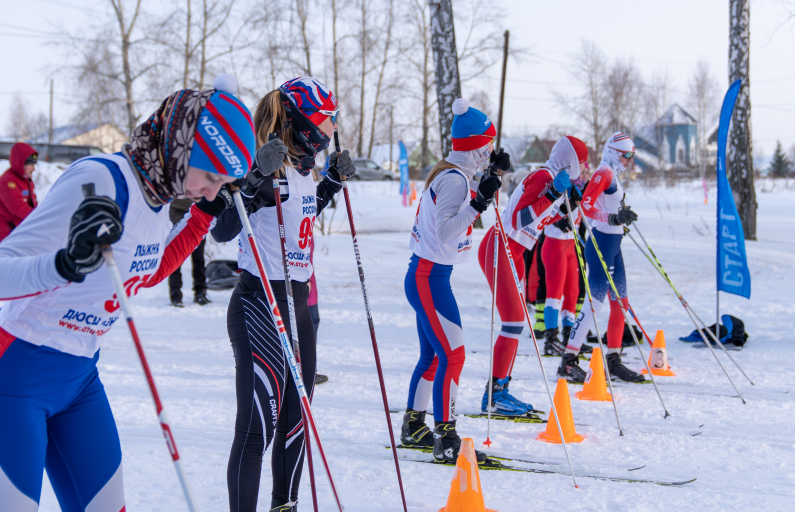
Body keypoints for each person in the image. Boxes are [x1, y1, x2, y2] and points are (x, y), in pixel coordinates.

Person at [0, 76, 255, 511]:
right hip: (17, 373)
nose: (213, 190)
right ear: (180, 147)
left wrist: (202, 217)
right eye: (211, 176)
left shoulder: (157, 199)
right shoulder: (100, 179)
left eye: (221, 183)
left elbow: (146, 273)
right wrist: (64, 263)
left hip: (79, 378)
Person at [210, 77, 354, 512]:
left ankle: (284, 506)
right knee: (256, 431)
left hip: (299, 307)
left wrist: (330, 183)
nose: (333, 128)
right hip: (260, 305)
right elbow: (222, 228)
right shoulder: (264, 165)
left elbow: (297, 218)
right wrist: (252, 178)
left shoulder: (305, 168)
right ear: (305, 122)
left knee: (296, 423)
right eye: (328, 119)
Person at [400, 98, 502, 463]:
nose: (488, 149)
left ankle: (414, 426)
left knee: (433, 355)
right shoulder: (455, 180)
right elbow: (445, 231)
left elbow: (469, 198)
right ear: (475, 145)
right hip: (429, 277)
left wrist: (491, 178)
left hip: (427, 275)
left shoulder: (454, 174)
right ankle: (446, 438)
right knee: (453, 355)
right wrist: (479, 203)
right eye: (486, 145)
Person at [476, 135, 588, 413]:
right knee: (513, 322)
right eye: (582, 162)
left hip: (516, 251)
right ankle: (495, 395)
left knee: (517, 323)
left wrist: (565, 208)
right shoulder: (543, 178)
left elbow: (541, 217)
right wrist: (552, 195)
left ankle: (501, 390)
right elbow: (519, 219)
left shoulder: (553, 179)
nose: (583, 168)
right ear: (571, 161)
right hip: (501, 246)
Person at [558, 132, 645, 383]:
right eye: (626, 155)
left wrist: (621, 218)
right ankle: (568, 360)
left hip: (613, 244)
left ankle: (613, 360)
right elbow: (585, 206)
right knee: (595, 303)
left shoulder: (613, 174)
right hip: (600, 244)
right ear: (615, 152)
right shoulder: (603, 172)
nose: (629, 160)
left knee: (621, 302)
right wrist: (612, 219)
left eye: (632, 156)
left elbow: (607, 205)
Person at [541, 167, 593, 357]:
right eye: (580, 172)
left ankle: (570, 336)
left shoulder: (580, 192)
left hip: (571, 246)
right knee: (555, 293)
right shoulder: (561, 187)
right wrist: (557, 222)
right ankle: (551, 339)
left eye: (586, 173)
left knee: (573, 292)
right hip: (555, 245)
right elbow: (543, 211)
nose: (583, 176)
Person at [168, 198, 211, 306]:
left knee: (199, 260)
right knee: (176, 262)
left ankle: (200, 292)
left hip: (197, 225)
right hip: (178, 226)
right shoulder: (177, 184)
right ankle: (175, 294)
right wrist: (198, 203)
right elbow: (173, 200)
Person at [0, 142, 39, 243]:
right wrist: (40, 216)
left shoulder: (26, 180)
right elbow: (20, 210)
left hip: (18, 232)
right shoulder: (7, 182)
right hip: (5, 235)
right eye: (31, 165)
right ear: (20, 163)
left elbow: (32, 204)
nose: (34, 169)